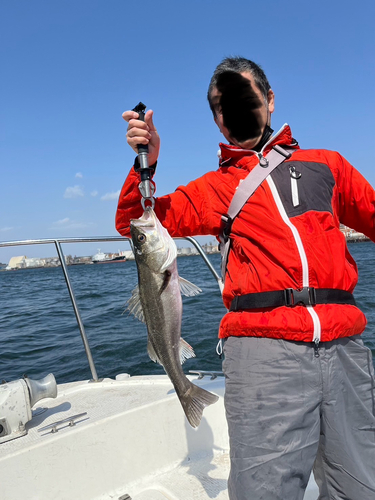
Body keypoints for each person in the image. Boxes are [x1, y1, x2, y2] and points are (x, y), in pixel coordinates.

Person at [116, 57, 375, 500]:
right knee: (264, 490)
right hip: (263, 352)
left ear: (270, 100)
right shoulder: (216, 188)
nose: (231, 112)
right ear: (218, 123)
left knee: (361, 484)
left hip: (346, 348)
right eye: (221, 107)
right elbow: (138, 222)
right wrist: (147, 165)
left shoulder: (328, 165)